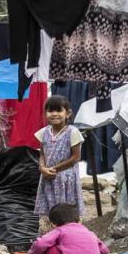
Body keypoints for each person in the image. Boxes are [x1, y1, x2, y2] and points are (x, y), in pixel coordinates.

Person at [34, 95, 85, 233]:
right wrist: (42, 167)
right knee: (48, 213)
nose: (54, 114)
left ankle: (69, 237)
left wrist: (53, 169)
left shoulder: (72, 132)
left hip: (65, 180)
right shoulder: (44, 133)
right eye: (50, 111)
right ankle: (49, 239)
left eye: (59, 110)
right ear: (46, 113)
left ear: (68, 113)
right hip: (48, 178)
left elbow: (75, 157)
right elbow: (42, 153)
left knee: (66, 212)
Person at [28, 203, 109, 254]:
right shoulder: (89, 232)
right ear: (79, 220)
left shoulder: (60, 230)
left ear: (53, 224)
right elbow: (105, 251)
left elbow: (40, 244)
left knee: (47, 248)